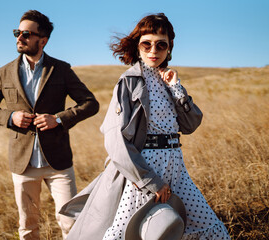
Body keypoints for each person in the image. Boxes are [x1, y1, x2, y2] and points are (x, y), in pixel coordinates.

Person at [60, 13, 230, 239]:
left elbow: (190, 125)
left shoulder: (169, 80)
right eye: (146, 44)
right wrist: (150, 180)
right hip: (145, 168)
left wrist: (177, 89)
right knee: (123, 233)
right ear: (137, 47)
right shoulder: (129, 82)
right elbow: (115, 139)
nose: (153, 51)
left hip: (177, 167)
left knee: (210, 227)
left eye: (161, 45)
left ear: (169, 48)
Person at [0, 10, 99, 240]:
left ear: (43, 40)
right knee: (28, 226)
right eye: (17, 33)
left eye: (26, 34)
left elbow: (90, 103)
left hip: (58, 164)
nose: (19, 38)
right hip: (23, 163)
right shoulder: (4, 73)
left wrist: (59, 119)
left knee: (71, 222)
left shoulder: (61, 69)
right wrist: (10, 118)